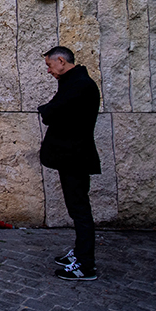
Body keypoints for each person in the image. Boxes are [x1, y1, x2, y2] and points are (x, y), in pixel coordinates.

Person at [38, 45, 101, 281]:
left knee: (80, 210)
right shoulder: (73, 83)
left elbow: (52, 112)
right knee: (77, 209)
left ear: (61, 61)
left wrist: (47, 110)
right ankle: (80, 253)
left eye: (49, 65)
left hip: (75, 158)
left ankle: (86, 264)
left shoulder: (80, 85)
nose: (48, 70)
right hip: (70, 157)